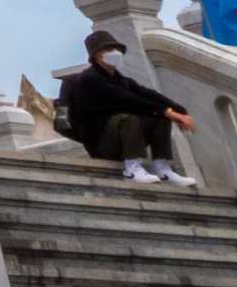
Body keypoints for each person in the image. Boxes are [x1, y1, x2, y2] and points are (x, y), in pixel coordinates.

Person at [63, 30, 198, 185]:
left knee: (159, 117)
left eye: (115, 49)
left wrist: (179, 111)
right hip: (101, 145)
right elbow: (128, 100)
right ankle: (132, 169)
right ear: (96, 56)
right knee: (129, 118)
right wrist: (168, 112)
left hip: (121, 139)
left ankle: (163, 169)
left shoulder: (120, 79)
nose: (114, 53)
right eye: (107, 50)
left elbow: (148, 94)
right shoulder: (89, 79)